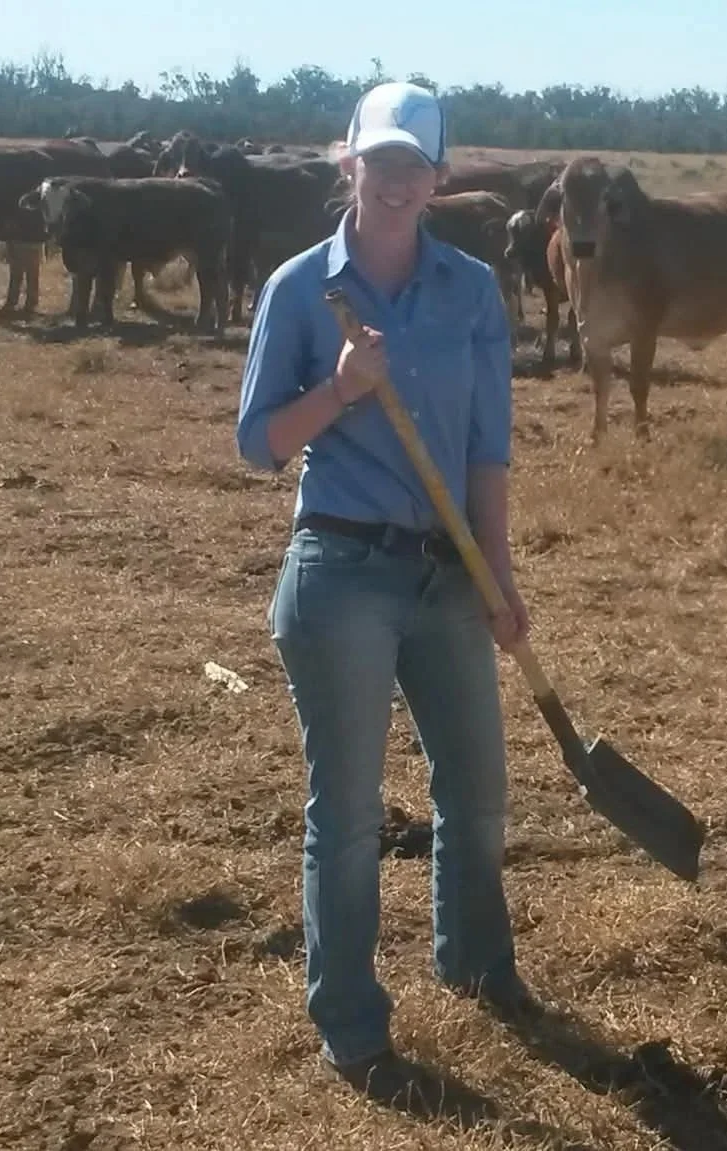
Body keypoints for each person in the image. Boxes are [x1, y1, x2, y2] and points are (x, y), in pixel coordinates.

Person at [235, 81, 535, 1090]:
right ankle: (353, 1025)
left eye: (418, 164)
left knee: (477, 788)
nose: (400, 180)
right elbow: (258, 443)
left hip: (446, 572)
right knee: (350, 810)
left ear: (439, 177)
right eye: (382, 159)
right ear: (345, 162)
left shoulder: (469, 291)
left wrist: (498, 575)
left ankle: (477, 964)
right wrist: (340, 389)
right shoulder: (300, 290)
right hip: (341, 573)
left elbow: (486, 452)